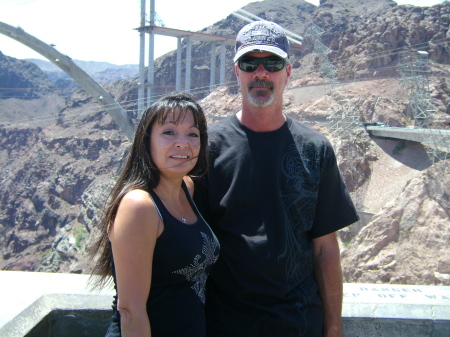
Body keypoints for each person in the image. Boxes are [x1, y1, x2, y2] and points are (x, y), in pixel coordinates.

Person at [193, 21, 359, 337]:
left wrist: (333, 327)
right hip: (225, 325)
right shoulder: (208, 148)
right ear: (236, 72)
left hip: (298, 324)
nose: (261, 73)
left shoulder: (315, 149)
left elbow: (325, 248)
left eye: (272, 63)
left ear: (288, 72)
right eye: (249, 63)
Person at [90, 92, 220, 337]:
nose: (182, 143)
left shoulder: (187, 189)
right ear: (146, 140)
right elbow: (130, 310)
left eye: (193, 134)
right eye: (169, 132)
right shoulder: (139, 206)